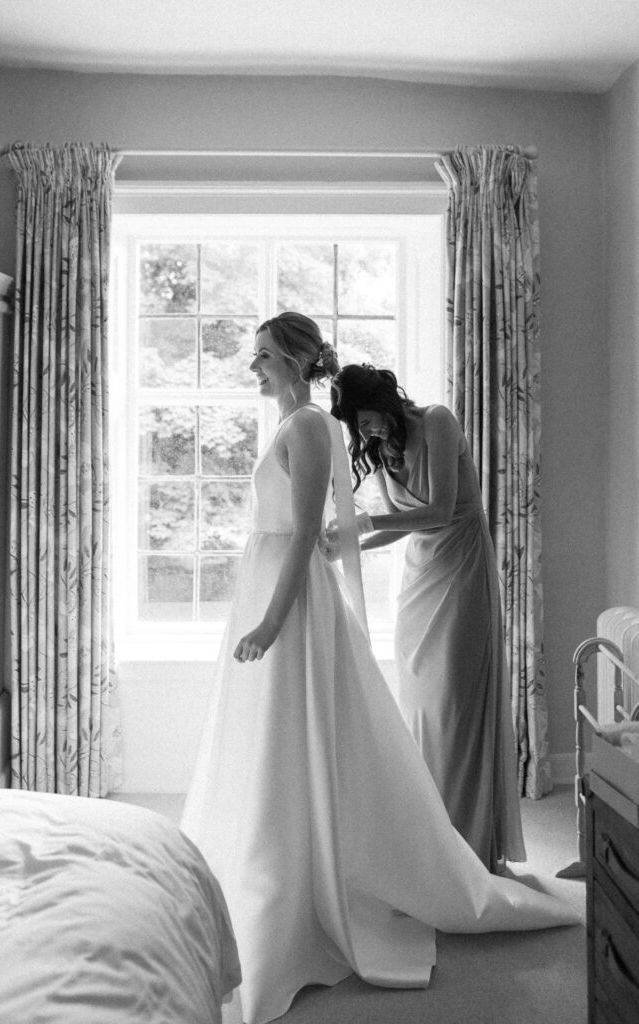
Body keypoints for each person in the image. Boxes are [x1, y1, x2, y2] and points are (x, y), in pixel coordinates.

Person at [180, 314, 577, 1024]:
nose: (254, 368)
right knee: (390, 707)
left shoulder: (379, 424)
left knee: (441, 703)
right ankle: (312, 856)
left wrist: (287, 603)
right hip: (375, 572)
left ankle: (456, 842)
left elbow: (403, 514)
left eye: (265, 356)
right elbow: (341, 518)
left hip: (434, 567)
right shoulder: (325, 431)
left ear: (301, 360)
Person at [326, 363, 526, 872]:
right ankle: (431, 837)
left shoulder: (436, 420)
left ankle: (470, 845)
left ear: (384, 400)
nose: (363, 431)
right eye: (356, 426)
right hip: (420, 577)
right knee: (421, 707)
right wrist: (351, 543)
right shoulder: (382, 448)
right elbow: (402, 529)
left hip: (461, 568)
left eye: (364, 418)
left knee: (455, 704)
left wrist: (366, 518)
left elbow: (437, 512)